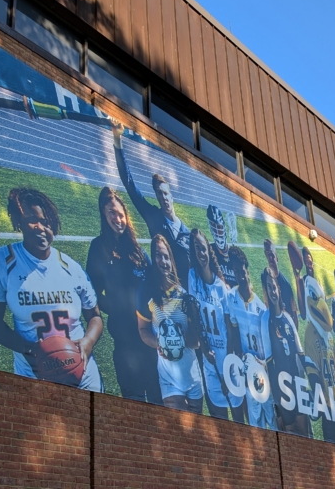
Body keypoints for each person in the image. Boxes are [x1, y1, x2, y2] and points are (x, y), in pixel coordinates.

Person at [0, 187, 104, 391]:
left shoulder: (72, 268)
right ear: (18, 221)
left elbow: (95, 316)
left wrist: (87, 342)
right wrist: (28, 350)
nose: (41, 227)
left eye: (46, 222)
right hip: (32, 375)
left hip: (83, 375)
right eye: (32, 220)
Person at [86, 187, 161, 404]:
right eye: (112, 213)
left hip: (148, 339)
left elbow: (155, 283)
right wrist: (116, 308)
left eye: (121, 214)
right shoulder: (98, 247)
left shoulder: (137, 250)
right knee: (134, 403)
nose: (117, 219)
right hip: (125, 343)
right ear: (103, 214)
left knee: (157, 401)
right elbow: (91, 292)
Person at [112, 121, 191, 284]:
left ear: (171, 196)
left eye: (165, 194)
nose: (163, 198)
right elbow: (129, 183)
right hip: (161, 287)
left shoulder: (186, 233)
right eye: (159, 195)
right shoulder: (154, 217)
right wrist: (117, 139)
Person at [137, 235, 204, 413]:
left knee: (196, 426)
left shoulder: (183, 294)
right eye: (158, 255)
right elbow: (143, 330)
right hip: (169, 378)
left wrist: (180, 339)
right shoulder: (146, 292)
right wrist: (159, 343)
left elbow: (197, 342)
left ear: (171, 260)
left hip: (192, 375)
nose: (163, 261)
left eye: (166, 257)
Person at [187, 228, 245, 423]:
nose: (201, 253)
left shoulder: (221, 287)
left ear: (208, 250)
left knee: (238, 417)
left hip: (227, 359)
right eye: (196, 248)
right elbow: (194, 316)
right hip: (209, 361)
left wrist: (228, 367)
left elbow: (230, 330)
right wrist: (204, 348)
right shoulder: (193, 277)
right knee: (220, 420)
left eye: (203, 248)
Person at [227, 246, 275, 430]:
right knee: (255, 420)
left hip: (263, 368)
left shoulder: (261, 307)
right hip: (247, 367)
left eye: (242, 270)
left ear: (247, 269)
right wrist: (238, 359)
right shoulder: (232, 298)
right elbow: (233, 332)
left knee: (270, 415)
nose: (240, 275)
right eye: (236, 271)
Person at [300, 247, 335, 442]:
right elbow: (313, 375)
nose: (309, 262)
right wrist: (320, 403)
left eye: (310, 259)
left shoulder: (330, 337)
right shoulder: (309, 333)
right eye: (306, 260)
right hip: (327, 408)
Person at [264, 272, 310, 436]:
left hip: (297, 386)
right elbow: (269, 365)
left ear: (278, 289)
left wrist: (311, 383)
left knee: (305, 436)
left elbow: (301, 354)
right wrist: (277, 404)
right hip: (282, 392)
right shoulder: (265, 320)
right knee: (290, 439)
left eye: (274, 287)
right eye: (269, 287)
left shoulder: (288, 319)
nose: (272, 291)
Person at [207, 205, 244, 291]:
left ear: (224, 228)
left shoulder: (235, 254)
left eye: (219, 228)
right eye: (214, 229)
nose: (217, 232)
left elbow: (245, 282)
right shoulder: (209, 251)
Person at [261, 238, 299, 320]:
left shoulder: (286, 284)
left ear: (277, 258)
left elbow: (294, 312)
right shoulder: (264, 278)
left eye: (272, 255)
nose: (270, 258)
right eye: (268, 254)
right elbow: (267, 304)